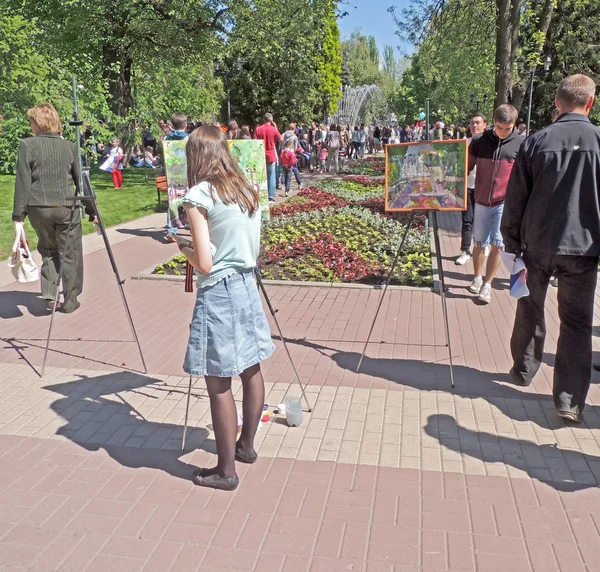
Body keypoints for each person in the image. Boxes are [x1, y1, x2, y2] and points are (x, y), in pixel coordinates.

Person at [179, 125, 274, 490]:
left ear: (197, 156)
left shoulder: (200, 194)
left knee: (218, 381)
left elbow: (204, 262)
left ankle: (226, 470)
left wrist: (183, 249)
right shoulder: (246, 189)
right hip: (247, 284)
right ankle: (246, 447)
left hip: (219, 291)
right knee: (250, 368)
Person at [501, 75, 600, 423]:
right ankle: (569, 400)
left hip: (538, 242)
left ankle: (524, 369)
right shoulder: (599, 141)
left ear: (557, 104)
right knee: (577, 321)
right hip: (584, 247)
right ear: (590, 103)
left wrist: (510, 242)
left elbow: (516, 198)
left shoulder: (536, 141)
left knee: (530, 306)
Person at [12, 103, 97, 313]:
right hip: (66, 206)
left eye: (31, 121)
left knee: (48, 251)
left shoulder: (27, 145)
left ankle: (50, 294)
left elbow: (23, 181)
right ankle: (70, 299)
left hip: (38, 208)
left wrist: (18, 214)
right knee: (71, 252)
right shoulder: (69, 147)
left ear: (39, 123)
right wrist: (92, 209)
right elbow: (81, 181)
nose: (30, 125)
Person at [467, 104, 523, 304]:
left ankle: (487, 285)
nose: (502, 132)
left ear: (514, 124)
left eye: (507, 128)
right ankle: (476, 277)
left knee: (497, 244)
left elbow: (524, 177)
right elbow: (465, 167)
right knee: (479, 243)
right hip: (481, 200)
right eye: (499, 127)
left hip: (503, 202)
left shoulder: (520, 143)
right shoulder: (479, 141)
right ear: (493, 122)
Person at [456, 113, 488, 266]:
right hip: (468, 187)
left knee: (484, 221)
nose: (475, 126)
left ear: (485, 125)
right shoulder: (465, 143)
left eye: (478, 123)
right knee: (467, 220)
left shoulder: (490, 144)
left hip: (484, 188)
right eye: (472, 123)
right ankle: (465, 250)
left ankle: (483, 245)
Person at [163, 112, 189, 242]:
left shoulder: (166, 139)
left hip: (172, 173)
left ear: (172, 125)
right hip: (186, 173)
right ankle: (192, 226)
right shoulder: (188, 139)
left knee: (173, 200)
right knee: (190, 200)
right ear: (185, 124)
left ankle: (171, 231)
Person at [254, 113, 282, 203]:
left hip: (260, 154)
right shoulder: (273, 130)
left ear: (263, 119)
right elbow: (281, 140)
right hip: (271, 155)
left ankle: (260, 195)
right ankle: (270, 196)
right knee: (271, 176)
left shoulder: (258, 129)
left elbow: (254, 142)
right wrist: (276, 129)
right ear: (271, 120)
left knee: (261, 176)